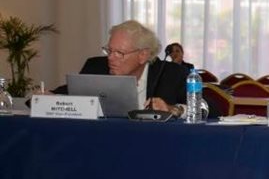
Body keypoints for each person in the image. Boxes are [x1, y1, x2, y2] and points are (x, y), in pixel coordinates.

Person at [51, 19, 187, 112]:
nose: (110, 58)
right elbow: (72, 91)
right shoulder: (96, 67)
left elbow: (199, 107)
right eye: (109, 50)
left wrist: (173, 109)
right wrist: (49, 95)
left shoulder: (172, 74)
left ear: (143, 55)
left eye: (119, 53)